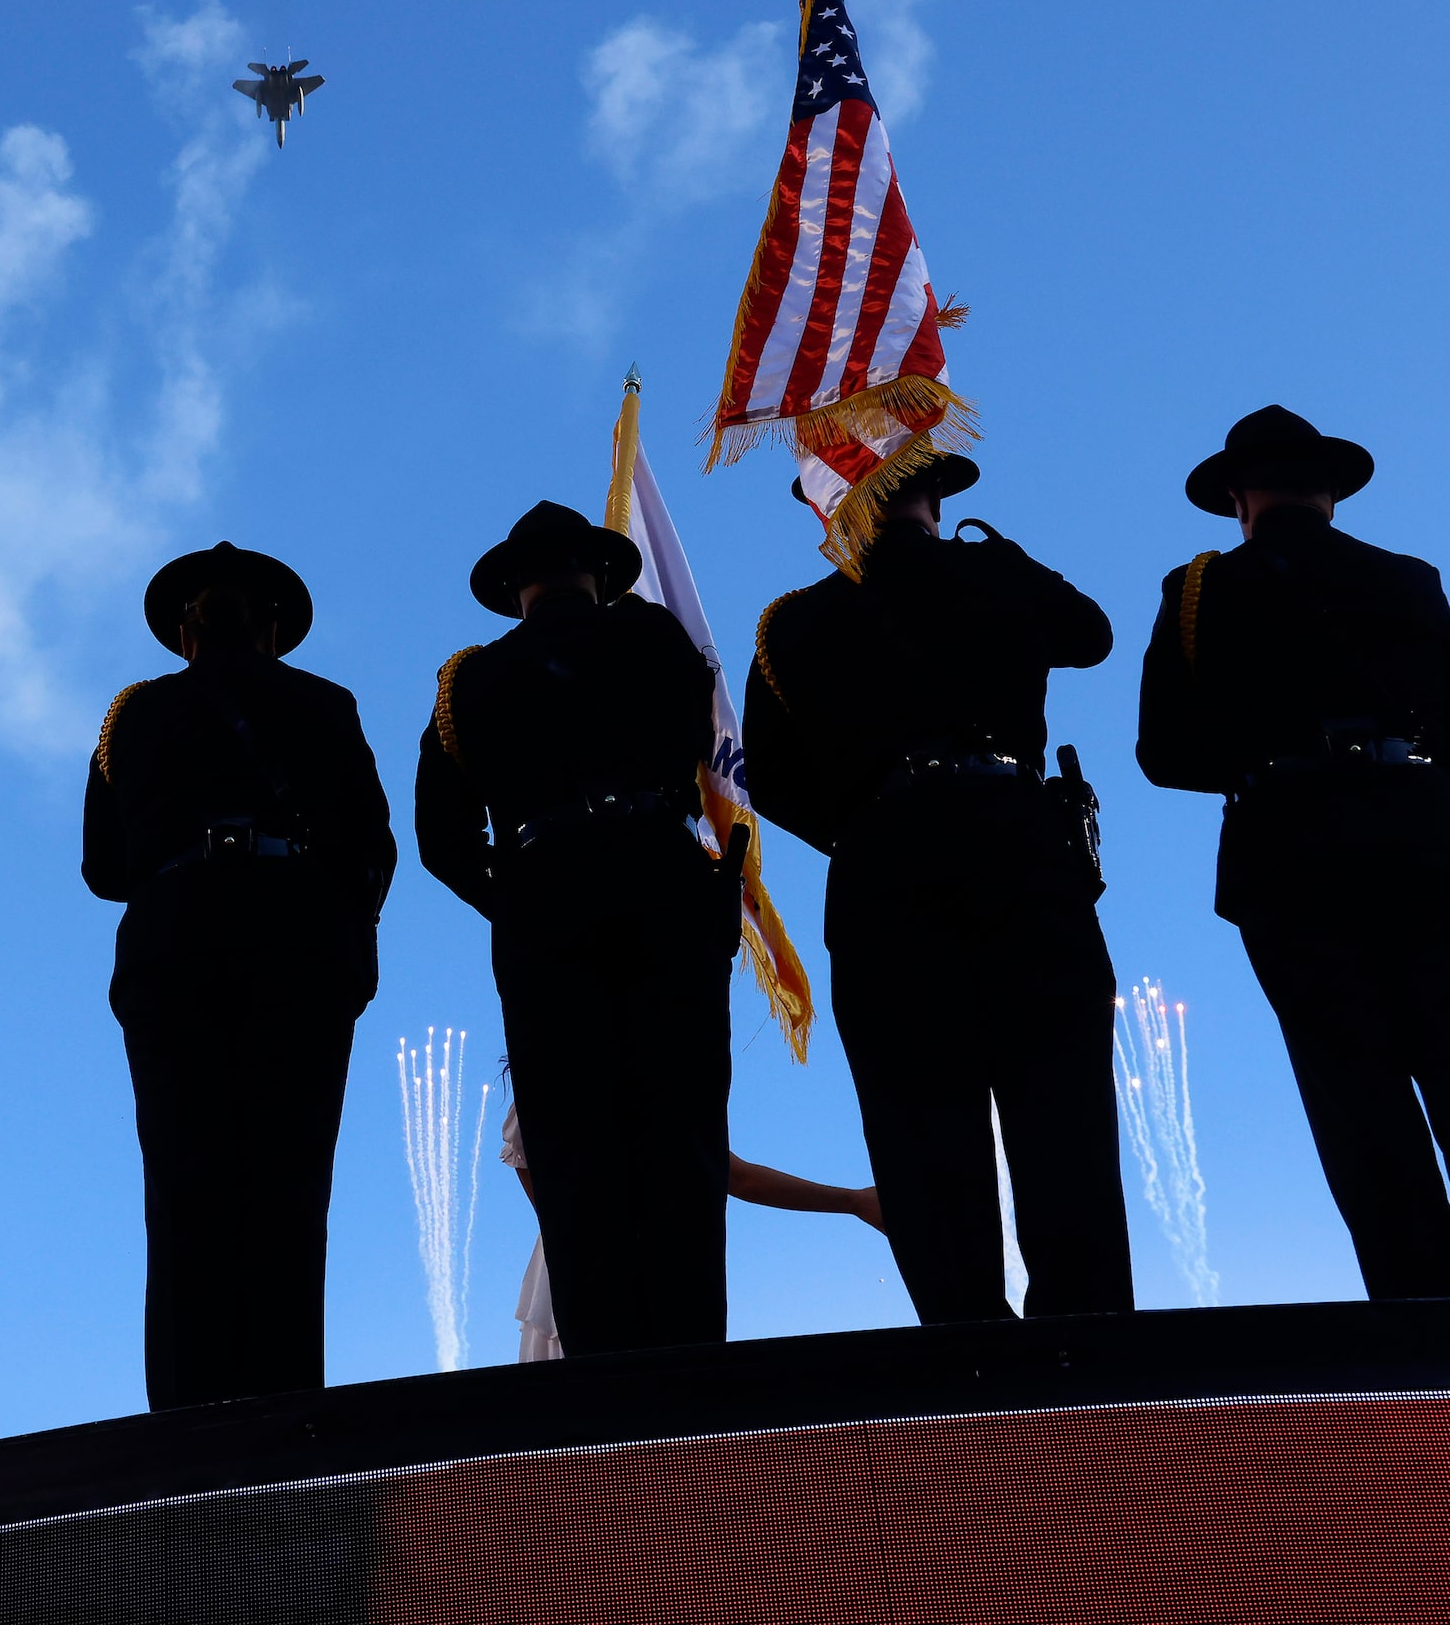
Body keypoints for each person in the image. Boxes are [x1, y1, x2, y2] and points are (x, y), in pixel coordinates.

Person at [1137, 405, 1450, 1298]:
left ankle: (1422, 1313)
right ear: (1329, 491)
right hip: (1432, 843)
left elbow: (1162, 753)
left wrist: (1274, 769)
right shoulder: (1410, 580)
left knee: (1355, 1089)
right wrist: (1429, 796)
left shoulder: (1199, 590)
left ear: (1236, 497)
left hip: (1292, 855)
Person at [742, 456, 1136, 1323]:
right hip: (1020, 843)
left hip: (884, 872)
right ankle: (1095, 1352)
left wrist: (864, 825)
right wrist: (995, 553)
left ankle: (965, 1355)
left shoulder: (794, 622)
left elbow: (768, 779)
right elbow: (1090, 632)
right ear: (936, 496)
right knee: (1061, 1108)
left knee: (921, 1127)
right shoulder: (990, 572)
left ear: (835, 507)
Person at [417, 501, 744, 1356]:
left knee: (571, 1149)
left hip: (542, 901)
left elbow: (439, 843)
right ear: (597, 574)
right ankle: (690, 1361)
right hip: (664, 884)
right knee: (681, 1136)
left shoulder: (471, 679)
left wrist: (521, 898)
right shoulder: (652, 642)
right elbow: (696, 723)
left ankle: (601, 1374)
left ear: (515, 585)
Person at [82, 541, 397, 1410]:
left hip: (173, 945)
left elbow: (103, 868)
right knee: (290, 1190)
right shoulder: (325, 704)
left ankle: (185, 1429)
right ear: (270, 630)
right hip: (299, 944)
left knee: (182, 1193)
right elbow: (373, 844)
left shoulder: (132, 715)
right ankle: (286, 1419)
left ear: (184, 631)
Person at [497, 1096, 882, 1361]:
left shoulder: (647, 1101)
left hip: (595, 1267)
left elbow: (736, 1176)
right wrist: (851, 1202)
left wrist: (852, 1202)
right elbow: (739, 1177)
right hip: (607, 1270)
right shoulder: (642, 1100)